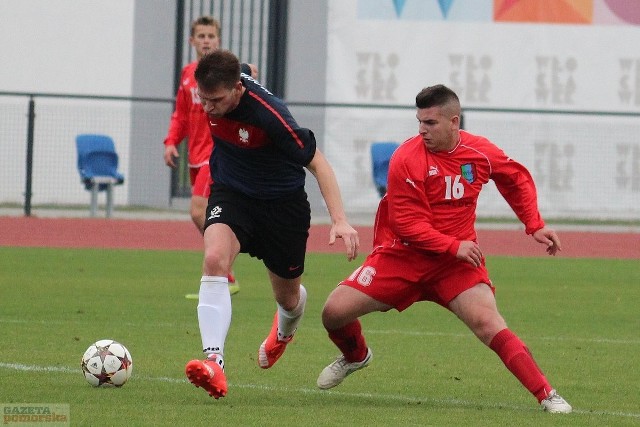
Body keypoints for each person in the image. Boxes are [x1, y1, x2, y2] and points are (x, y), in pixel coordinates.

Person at [315, 84, 572, 414]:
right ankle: (356, 356)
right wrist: (453, 246)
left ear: (455, 121)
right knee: (333, 313)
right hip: (403, 256)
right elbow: (407, 225)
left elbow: (515, 178)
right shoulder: (406, 159)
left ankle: (547, 394)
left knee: (488, 323)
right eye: (419, 122)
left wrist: (534, 224)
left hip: (455, 264)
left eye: (431, 123)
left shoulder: (479, 152)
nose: (422, 130)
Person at [183, 49, 360, 399]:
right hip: (232, 193)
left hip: (283, 208)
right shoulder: (224, 87)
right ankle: (214, 362)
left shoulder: (272, 117)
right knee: (214, 259)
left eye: (215, 101)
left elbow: (319, 164)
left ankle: (284, 329)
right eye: (203, 100)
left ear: (237, 89)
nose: (208, 108)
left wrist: (340, 220)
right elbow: (246, 68)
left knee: (290, 298)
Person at [162, 16, 256, 295]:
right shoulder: (188, 74)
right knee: (211, 214)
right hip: (196, 155)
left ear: (218, 41)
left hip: (218, 154)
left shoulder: (228, 76)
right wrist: (171, 142)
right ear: (192, 41)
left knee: (198, 210)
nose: (206, 41)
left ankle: (221, 271)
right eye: (201, 36)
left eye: (211, 36)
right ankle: (221, 272)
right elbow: (181, 114)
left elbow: (250, 85)